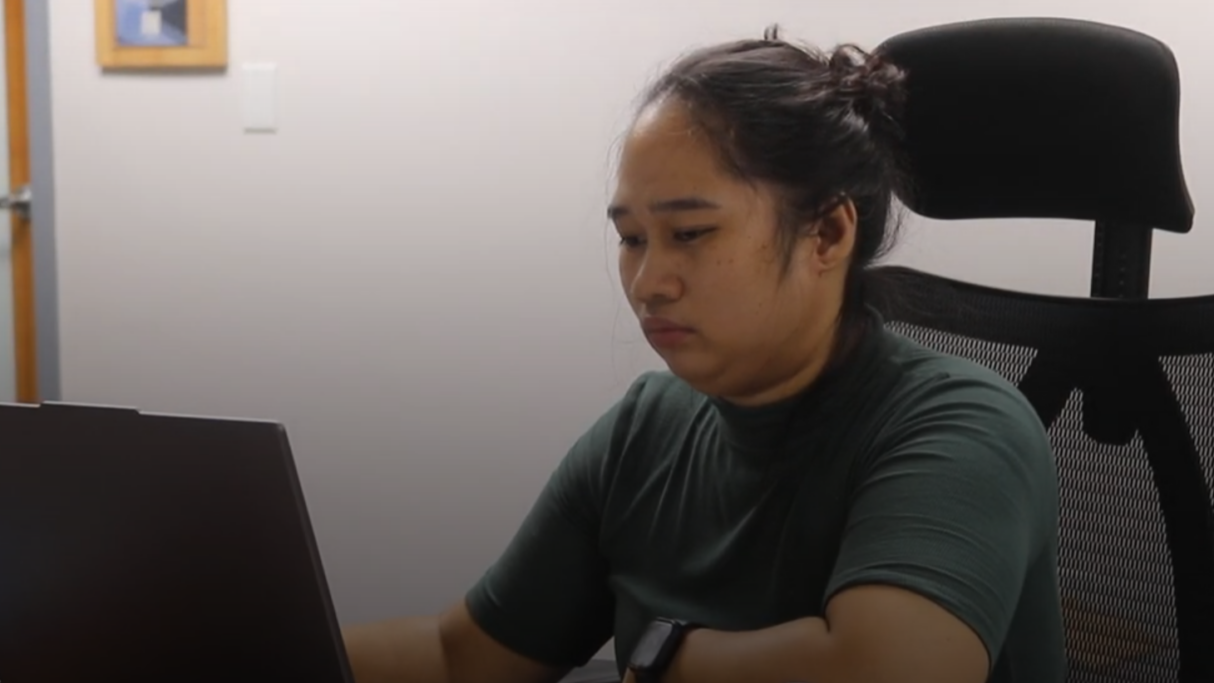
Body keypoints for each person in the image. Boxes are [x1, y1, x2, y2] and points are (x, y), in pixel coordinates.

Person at [341, 26, 1066, 683]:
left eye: (689, 234)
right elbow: (459, 655)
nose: (648, 282)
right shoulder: (644, 431)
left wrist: (667, 659)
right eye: (631, 238)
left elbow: (885, 670)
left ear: (827, 235)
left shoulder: (963, 428)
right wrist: (252, 640)